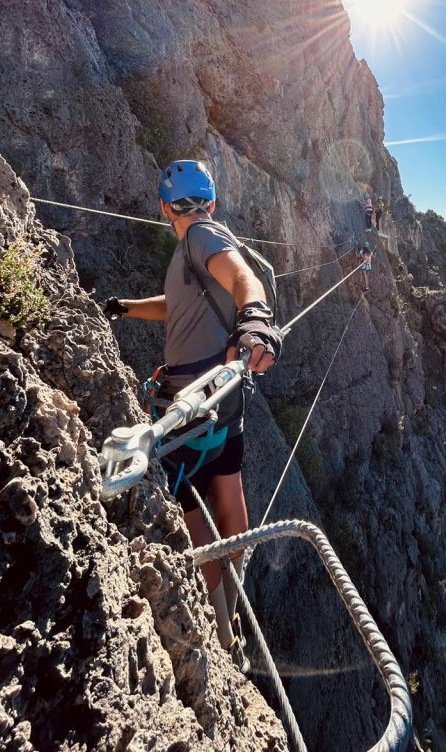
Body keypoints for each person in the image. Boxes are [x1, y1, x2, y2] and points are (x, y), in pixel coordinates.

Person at [104, 159, 282, 670]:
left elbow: (243, 277)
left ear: (165, 208)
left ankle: (220, 626)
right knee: (229, 493)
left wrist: (255, 318)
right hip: (225, 398)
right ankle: (234, 603)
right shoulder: (194, 249)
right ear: (211, 200)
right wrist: (127, 308)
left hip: (193, 403)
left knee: (191, 513)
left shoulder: (202, 236)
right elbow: (177, 304)